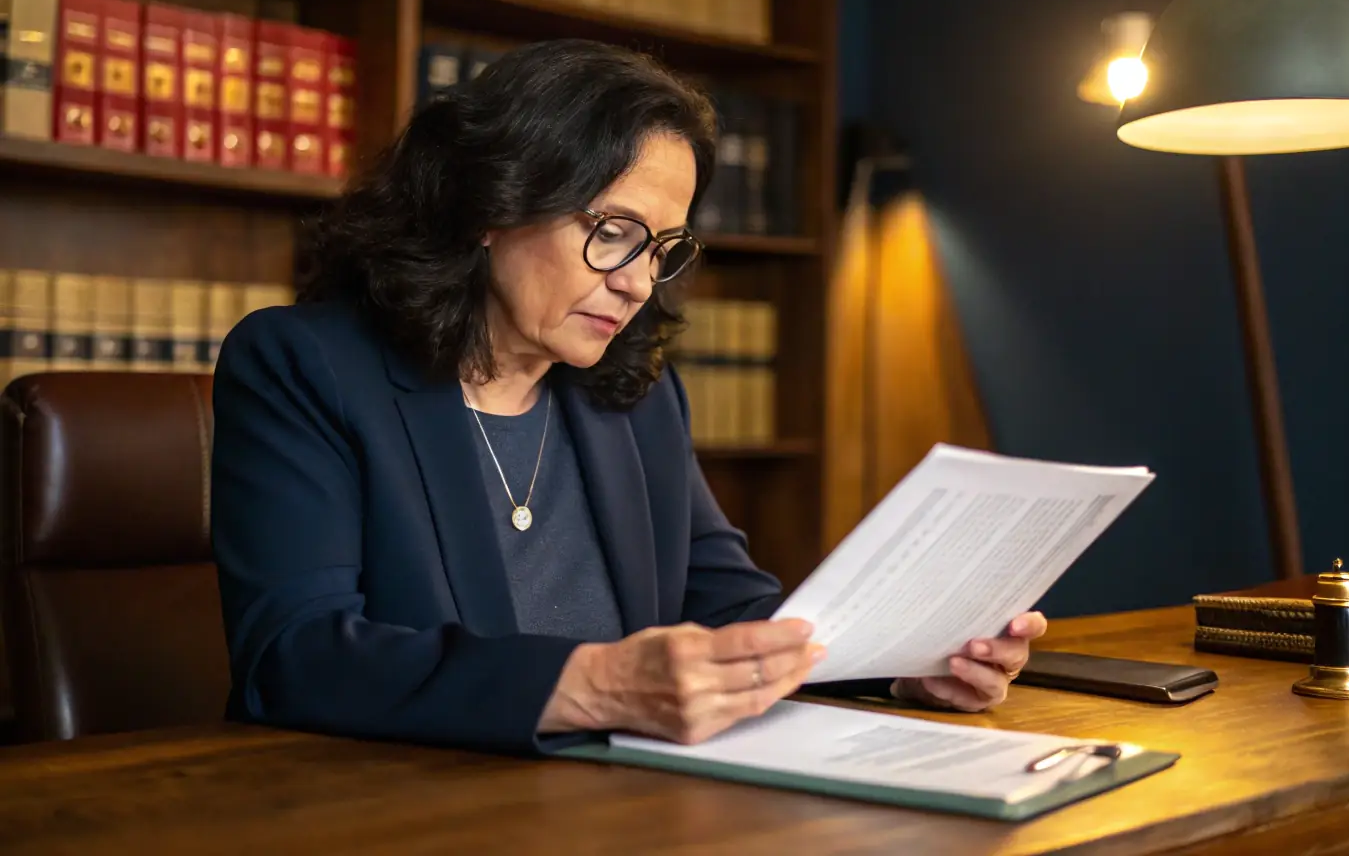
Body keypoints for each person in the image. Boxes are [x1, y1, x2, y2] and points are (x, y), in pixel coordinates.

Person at [209, 38, 1046, 755]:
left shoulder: (632, 393)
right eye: (613, 233)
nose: (639, 283)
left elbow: (726, 605)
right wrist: (593, 685)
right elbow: (297, 656)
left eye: (664, 248)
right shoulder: (303, 364)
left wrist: (895, 661)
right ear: (488, 207)